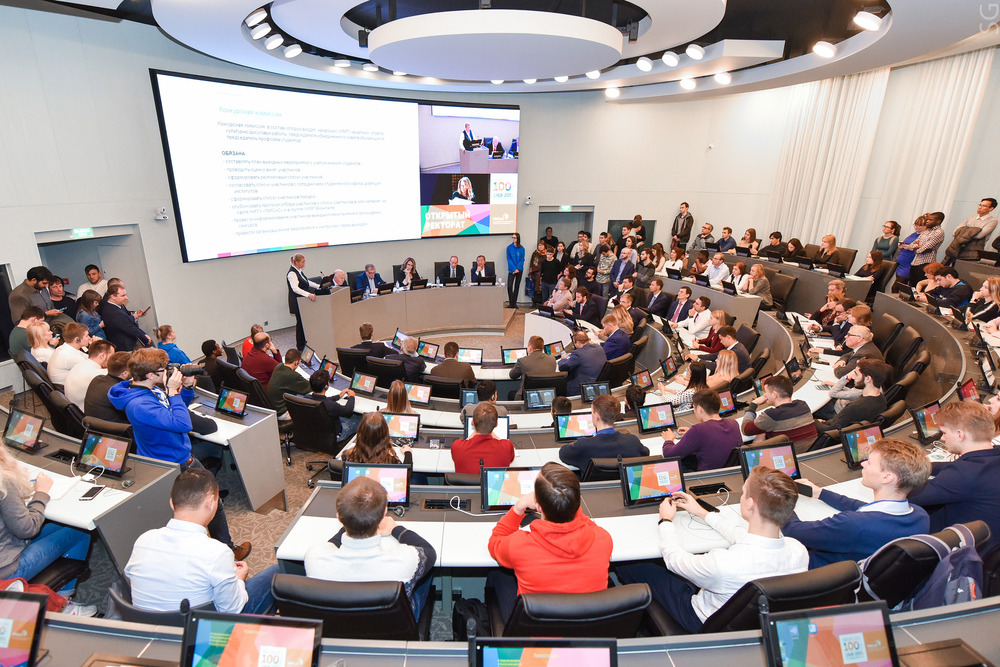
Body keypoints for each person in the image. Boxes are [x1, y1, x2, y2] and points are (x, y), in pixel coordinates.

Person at [615, 466, 808, 633]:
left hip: (700, 619)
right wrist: (701, 512)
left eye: (743, 493)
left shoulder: (724, 564)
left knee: (633, 565)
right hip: (750, 620)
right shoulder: (798, 551)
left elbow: (675, 560)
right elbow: (740, 535)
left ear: (750, 504)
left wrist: (665, 521)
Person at [109, 348, 249, 558]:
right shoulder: (139, 404)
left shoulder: (147, 390)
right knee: (212, 504)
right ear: (150, 375)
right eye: (163, 370)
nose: (168, 372)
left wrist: (186, 389)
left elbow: (177, 409)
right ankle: (227, 551)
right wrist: (173, 392)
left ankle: (223, 548)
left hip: (173, 455)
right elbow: (183, 424)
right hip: (174, 461)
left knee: (199, 506)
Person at [124, 468, 276, 614]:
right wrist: (239, 580)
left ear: (171, 503)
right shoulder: (217, 553)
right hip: (202, 629)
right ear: (211, 503)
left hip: (148, 628)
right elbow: (232, 609)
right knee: (278, 572)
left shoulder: (143, 540)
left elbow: (131, 576)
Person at [487, 462, 613, 620]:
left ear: (539, 507)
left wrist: (518, 508)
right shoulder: (603, 539)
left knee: (498, 573)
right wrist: (568, 505)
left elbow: (495, 542)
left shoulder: (520, 546)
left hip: (535, 629)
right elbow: (588, 524)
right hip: (587, 627)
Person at [784, 439, 930, 568]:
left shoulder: (853, 524)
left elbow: (793, 531)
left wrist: (782, 502)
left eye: (869, 462)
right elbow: (862, 507)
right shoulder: (920, 515)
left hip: (819, 572)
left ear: (886, 477)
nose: (863, 463)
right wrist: (820, 493)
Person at [304, 476, 436, 618]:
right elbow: (429, 552)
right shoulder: (405, 560)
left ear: (339, 517)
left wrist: (351, 521)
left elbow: (330, 545)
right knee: (423, 575)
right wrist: (396, 529)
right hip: (390, 627)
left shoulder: (314, 557)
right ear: (384, 513)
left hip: (337, 626)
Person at [0, 443, 93, 613]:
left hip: (7, 549)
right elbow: (28, 529)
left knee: (57, 527)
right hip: (6, 572)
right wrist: (41, 494)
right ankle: (63, 606)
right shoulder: (3, 482)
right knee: (80, 532)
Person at [908, 401, 1000, 551]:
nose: (942, 439)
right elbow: (950, 467)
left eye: (944, 433)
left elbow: (908, 495)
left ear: (959, 435)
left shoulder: (963, 474)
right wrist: (924, 465)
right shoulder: (991, 457)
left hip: (962, 554)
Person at [558, 394, 648, 471]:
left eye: (592, 412)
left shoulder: (583, 445)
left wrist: (576, 442)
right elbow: (645, 453)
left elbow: (563, 454)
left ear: (597, 416)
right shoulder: (632, 441)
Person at [661, 389, 742, 471]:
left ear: (699, 409)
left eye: (694, 408)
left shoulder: (698, 430)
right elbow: (713, 435)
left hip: (706, 475)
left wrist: (668, 440)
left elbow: (669, 454)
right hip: (729, 473)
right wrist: (690, 433)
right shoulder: (734, 423)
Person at [814, 359, 891, 433]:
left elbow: (830, 430)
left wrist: (815, 422)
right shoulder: (882, 398)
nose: (853, 377)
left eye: (856, 374)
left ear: (868, 379)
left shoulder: (855, 407)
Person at [742, 375, 818, 449]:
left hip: (791, 455)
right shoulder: (803, 405)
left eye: (766, 392)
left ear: (774, 395)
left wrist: (753, 404)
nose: (764, 395)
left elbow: (745, 429)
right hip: (812, 451)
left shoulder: (771, 415)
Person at [451, 403, 515, 473]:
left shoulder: (457, 447)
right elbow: (510, 458)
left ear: (472, 422)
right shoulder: (507, 446)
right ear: (496, 424)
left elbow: (466, 442)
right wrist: (490, 428)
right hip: (494, 480)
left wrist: (476, 430)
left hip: (466, 481)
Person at [286, 254, 328, 350]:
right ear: (296, 262)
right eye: (302, 262)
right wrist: (309, 295)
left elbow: (307, 282)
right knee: (300, 324)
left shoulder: (299, 271)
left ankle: (305, 342)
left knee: (303, 322)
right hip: (297, 302)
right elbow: (295, 288)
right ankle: (300, 346)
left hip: (302, 301)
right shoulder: (292, 273)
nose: (304, 263)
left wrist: (319, 286)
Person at [307, 370, 359, 441]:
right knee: (360, 420)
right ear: (326, 386)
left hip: (315, 432)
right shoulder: (331, 406)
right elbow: (348, 411)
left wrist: (339, 396)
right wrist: (352, 397)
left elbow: (322, 399)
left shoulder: (306, 398)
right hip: (334, 435)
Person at [341, 412, 411, 465]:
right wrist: (408, 453)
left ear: (360, 432)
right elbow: (406, 473)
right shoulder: (391, 462)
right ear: (385, 434)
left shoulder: (348, 456)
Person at [64, 339, 113, 409]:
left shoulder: (81, 364)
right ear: (102, 356)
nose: (113, 360)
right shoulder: (97, 374)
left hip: (76, 406)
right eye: (112, 356)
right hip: (84, 410)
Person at [945, 198, 998, 263]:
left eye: (984, 206)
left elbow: (979, 236)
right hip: (959, 247)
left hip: (973, 252)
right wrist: (974, 230)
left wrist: (965, 230)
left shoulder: (992, 221)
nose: (980, 207)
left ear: (991, 208)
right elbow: (956, 231)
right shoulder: (971, 217)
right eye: (980, 205)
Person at [101, 283, 151, 351]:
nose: (126, 298)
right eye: (123, 296)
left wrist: (144, 334)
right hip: (124, 347)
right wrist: (145, 338)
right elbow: (129, 328)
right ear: (113, 296)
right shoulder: (113, 312)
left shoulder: (118, 306)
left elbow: (128, 320)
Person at [84, 351, 130, 423]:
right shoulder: (116, 391)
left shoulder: (97, 379)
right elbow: (136, 412)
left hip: (95, 426)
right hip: (117, 428)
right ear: (125, 373)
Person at [559, 329, 607, 395]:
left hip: (583, 388)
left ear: (578, 342)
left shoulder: (578, 353)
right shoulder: (599, 348)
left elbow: (563, 367)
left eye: (574, 343)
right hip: (599, 383)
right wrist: (573, 356)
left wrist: (563, 358)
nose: (574, 345)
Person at [266, 349, 310, 419]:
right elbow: (310, 387)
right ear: (296, 362)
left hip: (274, 408)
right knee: (309, 406)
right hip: (282, 413)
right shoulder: (292, 375)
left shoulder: (278, 366)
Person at [908, 211, 945, 286]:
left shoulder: (939, 232)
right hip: (915, 262)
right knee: (911, 285)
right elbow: (911, 246)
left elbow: (925, 249)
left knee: (919, 285)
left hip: (926, 263)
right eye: (927, 219)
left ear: (938, 221)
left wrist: (917, 247)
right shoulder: (927, 231)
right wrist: (918, 246)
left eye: (930, 220)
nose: (927, 221)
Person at [893, 215, 925, 290]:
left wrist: (908, 247)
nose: (916, 227)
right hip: (901, 264)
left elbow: (919, 247)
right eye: (915, 225)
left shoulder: (924, 236)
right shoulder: (914, 234)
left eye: (919, 226)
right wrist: (902, 246)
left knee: (896, 287)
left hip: (909, 264)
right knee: (897, 287)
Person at [506, 232, 524, 308]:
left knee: (517, 286)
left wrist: (518, 268)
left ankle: (514, 303)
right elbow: (509, 259)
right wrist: (514, 268)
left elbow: (522, 259)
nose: (513, 239)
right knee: (509, 286)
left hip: (519, 270)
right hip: (512, 270)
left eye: (515, 238)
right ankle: (511, 303)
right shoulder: (509, 248)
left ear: (518, 239)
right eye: (512, 238)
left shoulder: (522, 248)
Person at [528, 240, 547, 305]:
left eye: (542, 245)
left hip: (541, 273)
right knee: (533, 287)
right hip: (534, 272)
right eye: (539, 245)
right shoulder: (535, 253)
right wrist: (530, 271)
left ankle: (539, 302)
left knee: (539, 287)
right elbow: (532, 262)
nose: (540, 247)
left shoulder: (546, 254)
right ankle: (534, 302)